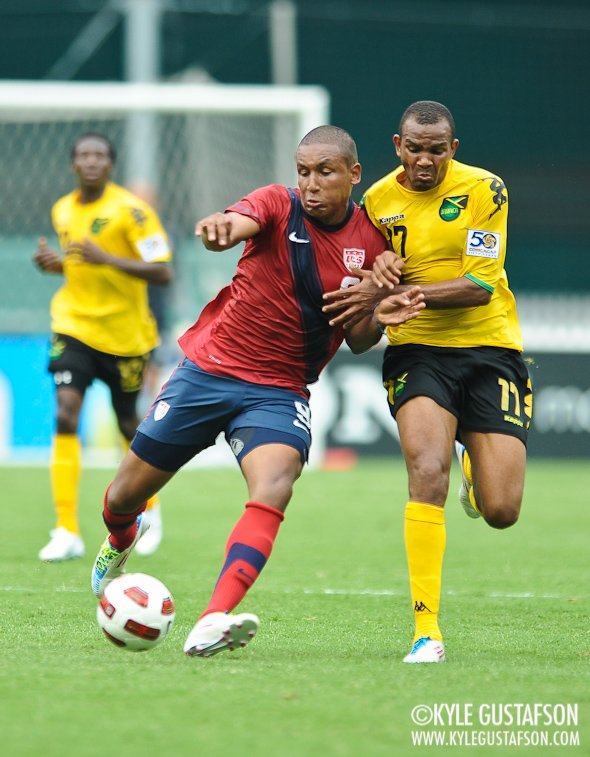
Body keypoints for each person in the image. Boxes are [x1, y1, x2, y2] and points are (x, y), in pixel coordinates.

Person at [89, 125, 425, 658]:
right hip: (208, 372)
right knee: (120, 499)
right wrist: (221, 229)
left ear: (354, 174)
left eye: (325, 172)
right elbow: (237, 222)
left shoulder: (372, 243)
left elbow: (360, 341)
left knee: (274, 486)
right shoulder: (276, 203)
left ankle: (212, 619)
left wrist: (379, 307)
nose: (311, 183)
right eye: (304, 171)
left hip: (279, 391)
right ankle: (122, 536)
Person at [323, 101, 532, 664]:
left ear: (452, 149)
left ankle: (475, 468)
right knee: (426, 473)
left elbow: (478, 286)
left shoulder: (485, 189)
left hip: (490, 351)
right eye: (414, 149)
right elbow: (362, 334)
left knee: (502, 511)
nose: (424, 160)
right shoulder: (375, 203)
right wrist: (370, 298)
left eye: (436, 150)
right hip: (417, 352)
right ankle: (426, 632)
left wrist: (394, 290)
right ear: (398, 146)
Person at [34, 132, 173, 562]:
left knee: (128, 423)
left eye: (99, 155)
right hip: (73, 326)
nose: (91, 161)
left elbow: (163, 270)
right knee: (65, 413)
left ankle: (149, 511)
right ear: (73, 164)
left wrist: (107, 258)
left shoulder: (133, 211)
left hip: (125, 337)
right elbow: (80, 266)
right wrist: (59, 266)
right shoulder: (63, 209)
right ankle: (66, 529)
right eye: (84, 155)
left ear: (110, 164)